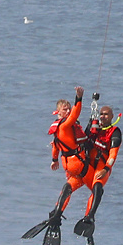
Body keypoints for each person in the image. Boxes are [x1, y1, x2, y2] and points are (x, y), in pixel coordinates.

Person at [73, 100, 123, 238]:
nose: (102, 116)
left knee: (97, 188)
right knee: (69, 185)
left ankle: (90, 217)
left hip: (102, 166)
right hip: (88, 164)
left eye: (106, 114)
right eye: (101, 114)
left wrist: (106, 169)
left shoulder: (115, 132)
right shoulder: (94, 127)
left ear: (112, 116)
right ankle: (57, 213)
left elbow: (113, 154)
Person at [48, 86, 90, 216]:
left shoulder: (57, 128)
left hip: (68, 166)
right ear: (58, 112)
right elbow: (75, 113)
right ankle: (89, 216)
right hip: (78, 164)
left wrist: (54, 160)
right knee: (97, 184)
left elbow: (56, 145)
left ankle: (56, 213)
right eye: (64, 109)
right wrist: (79, 98)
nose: (68, 111)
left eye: (68, 109)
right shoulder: (66, 125)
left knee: (68, 188)